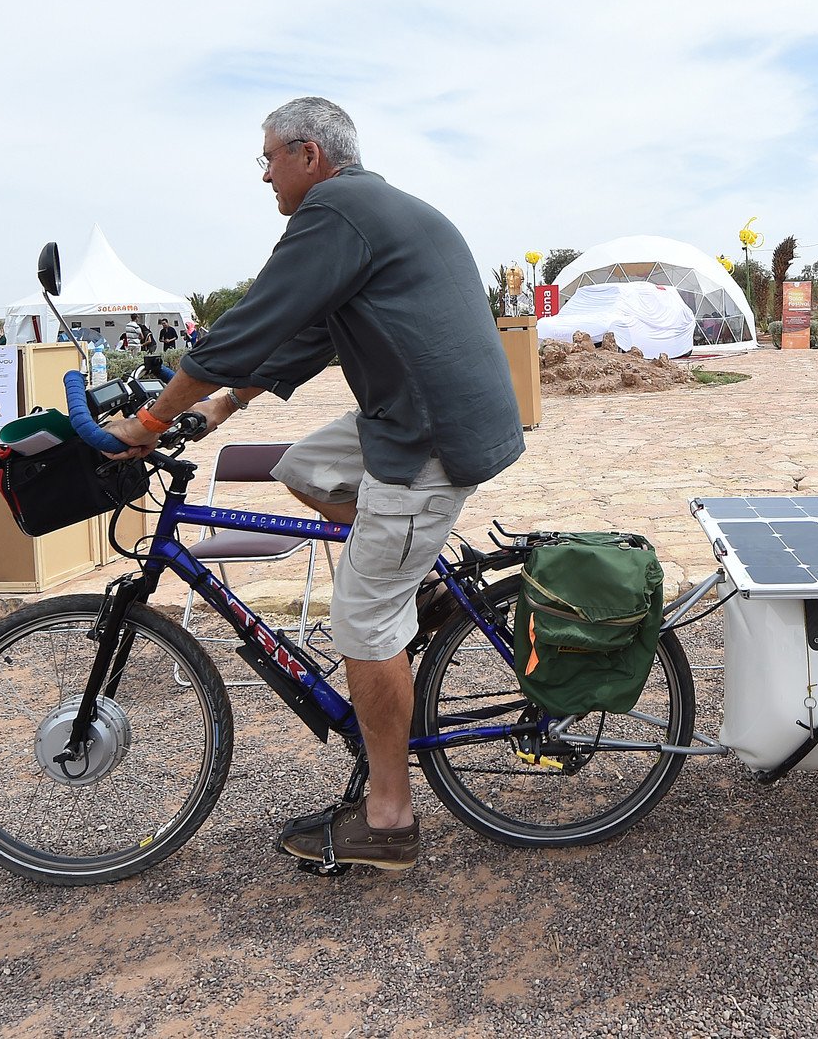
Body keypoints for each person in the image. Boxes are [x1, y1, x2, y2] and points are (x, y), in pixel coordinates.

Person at [103, 96, 525, 872]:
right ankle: (420, 584)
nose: (263, 175)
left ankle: (389, 820)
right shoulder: (366, 209)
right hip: (422, 416)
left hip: (428, 438)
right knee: (303, 466)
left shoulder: (334, 211)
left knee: (361, 621)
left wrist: (152, 420)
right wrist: (222, 405)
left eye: (268, 158)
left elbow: (253, 323)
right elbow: (305, 333)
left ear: (308, 154)